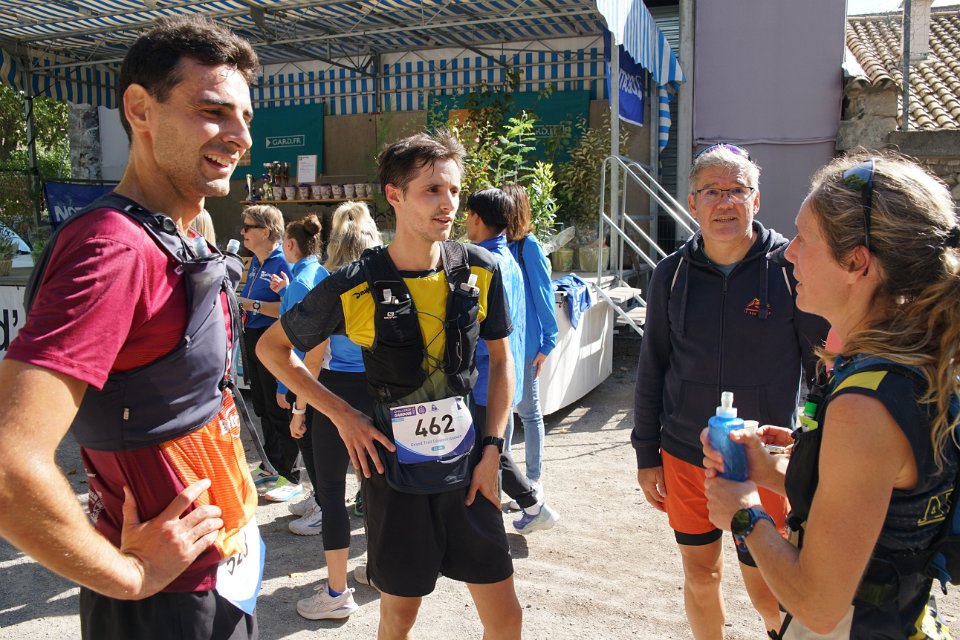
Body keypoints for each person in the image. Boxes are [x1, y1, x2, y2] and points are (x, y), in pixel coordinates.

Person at [0, 16, 261, 639]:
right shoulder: (112, 249)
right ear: (140, 109)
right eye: (212, 111)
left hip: (219, 573)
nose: (239, 136)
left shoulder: (175, 235)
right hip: (166, 605)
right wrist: (128, 575)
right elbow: (9, 465)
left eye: (245, 117)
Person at [256, 130, 522, 639]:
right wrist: (342, 414)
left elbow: (501, 360)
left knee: (507, 617)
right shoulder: (355, 282)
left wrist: (493, 448)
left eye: (454, 190)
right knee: (399, 616)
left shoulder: (480, 268)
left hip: (470, 470)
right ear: (394, 195)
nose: (448, 203)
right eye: (432, 190)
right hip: (394, 476)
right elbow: (272, 350)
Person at [703, 152, 960, 638]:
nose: (788, 253)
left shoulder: (864, 408)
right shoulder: (909, 362)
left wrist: (744, 513)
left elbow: (819, 605)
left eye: (804, 238)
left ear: (856, 263)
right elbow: (872, 511)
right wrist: (770, 470)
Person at [631, 143, 829, 638]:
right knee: (702, 576)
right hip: (684, 454)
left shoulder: (789, 269)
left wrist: (813, 448)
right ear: (693, 203)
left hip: (762, 458)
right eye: (711, 192)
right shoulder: (670, 275)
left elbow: (821, 371)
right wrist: (646, 453)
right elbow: (652, 368)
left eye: (737, 190)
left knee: (769, 587)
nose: (725, 202)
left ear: (756, 200)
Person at [289, 201, 382, 619]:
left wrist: (299, 407)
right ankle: (377, 570)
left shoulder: (331, 286)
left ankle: (336, 592)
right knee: (376, 488)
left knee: (331, 493)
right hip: (379, 391)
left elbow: (313, 357)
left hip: (334, 393)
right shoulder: (388, 282)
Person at [464, 187, 558, 534]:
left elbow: (475, 327)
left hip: (487, 376)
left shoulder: (486, 263)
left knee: (490, 450)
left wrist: (548, 340)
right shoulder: (506, 258)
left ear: (476, 218)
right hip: (504, 370)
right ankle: (532, 506)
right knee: (494, 447)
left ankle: (531, 505)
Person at [267, 213, 328, 527]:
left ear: (290, 244)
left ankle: (322, 505)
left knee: (307, 439)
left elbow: (292, 345)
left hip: (303, 375)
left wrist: (283, 386)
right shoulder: (318, 272)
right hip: (320, 373)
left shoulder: (300, 283)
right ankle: (318, 497)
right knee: (313, 439)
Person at [237, 204, 300, 502]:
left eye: (248, 227)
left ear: (265, 231)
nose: (242, 232)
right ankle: (271, 463)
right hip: (253, 338)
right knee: (262, 406)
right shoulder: (256, 262)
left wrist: (252, 305)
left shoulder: (281, 262)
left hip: (272, 339)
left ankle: (289, 474)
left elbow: (290, 308)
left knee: (278, 407)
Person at [502, 183, 558, 504]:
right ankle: (509, 478)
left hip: (527, 344)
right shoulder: (499, 246)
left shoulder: (528, 247)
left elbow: (544, 295)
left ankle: (534, 479)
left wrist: (548, 343)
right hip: (504, 344)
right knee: (504, 413)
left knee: (528, 411)